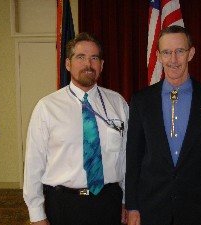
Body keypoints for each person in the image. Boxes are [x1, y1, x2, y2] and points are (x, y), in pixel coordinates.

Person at [125, 25, 201, 225]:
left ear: (191, 53)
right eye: (167, 52)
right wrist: (132, 206)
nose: (173, 60)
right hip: (151, 209)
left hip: (199, 210)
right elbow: (133, 158)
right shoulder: (142, 101)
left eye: (180, 51)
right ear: (158, 55)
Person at [23, 32, 128, 225]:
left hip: (108, 203)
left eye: (94, 58)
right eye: (80, 57)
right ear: (68, 64)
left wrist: (125, 201)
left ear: (101, 65)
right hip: (65, 205)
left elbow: (125, 158)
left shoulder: (118, 103)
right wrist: (36, 214)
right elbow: (33, 163)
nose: (88, 64)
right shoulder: (47, 107)